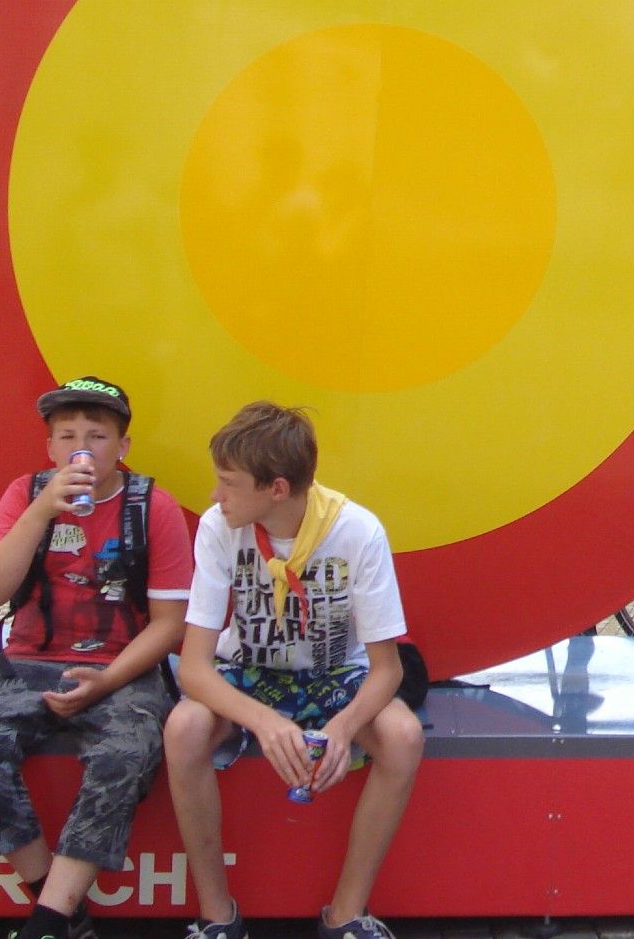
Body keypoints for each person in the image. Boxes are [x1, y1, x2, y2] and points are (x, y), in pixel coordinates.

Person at [0, 375, 193, 939]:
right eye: (68, 435)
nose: (83, 447)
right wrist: (39, 514)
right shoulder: (23, 494)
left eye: (98, 435)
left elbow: (169, 626)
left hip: (120, 667)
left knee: (128, 751)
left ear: (122, 447)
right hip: (27, 660)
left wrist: (105, 684)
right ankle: (59, 908)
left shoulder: (153, 505)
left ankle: (47, 924)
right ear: (51, 448)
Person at [163, 402, 424, 939]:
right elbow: (194, 668)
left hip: (333, 677)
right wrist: (263, 721)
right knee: (184, 727)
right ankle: (217, 918)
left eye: (228, 483)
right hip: (249, 673)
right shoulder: (219, 528)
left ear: (276, 489)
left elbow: (387, 670)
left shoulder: (356, 531)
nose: (216, 496)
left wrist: (342, 729)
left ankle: (346, 916)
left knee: (403, 736)